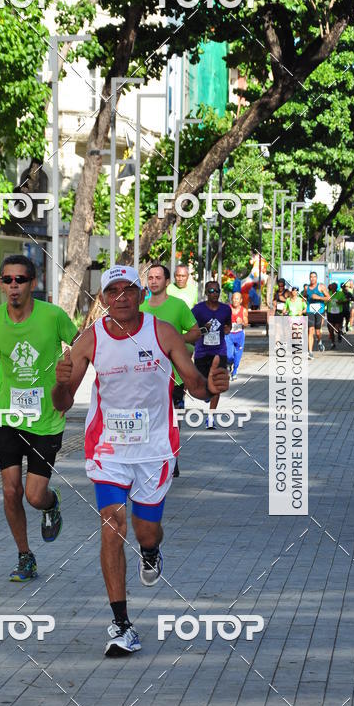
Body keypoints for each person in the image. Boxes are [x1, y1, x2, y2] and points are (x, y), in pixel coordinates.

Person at [52, 265, 229, 656]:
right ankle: (121, 625)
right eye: (112, 290)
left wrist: (209, 388)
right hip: (108, 449)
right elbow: (63, 404)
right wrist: (61, 383)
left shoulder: (161, 332)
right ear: (102, 300)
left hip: (154, 450)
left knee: (145, 531)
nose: (121, 296)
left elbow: (193, 382)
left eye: (128, 289)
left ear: (140, 294)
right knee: (112, 526)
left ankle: (150, 550)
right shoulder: (90, 340)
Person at [0, 254, 77, 581]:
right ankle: (25, 556)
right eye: (7, 280)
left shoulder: (53, 317)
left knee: (35, 495)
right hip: (7, 415)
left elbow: (81, 347)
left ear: (32, 284)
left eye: (20, 280)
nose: (13, 286)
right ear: (1, 284)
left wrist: (69, 376)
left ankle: (51, 505)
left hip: (46, 418)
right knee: (11, 491)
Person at [140, 263, 200, 476]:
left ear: (167, 282)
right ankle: (152, 458)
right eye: (151, 277)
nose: (154, 281)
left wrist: (175, 340)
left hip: (174, 376)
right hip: (145, 376)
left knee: (173, 419)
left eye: (158, 277)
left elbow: (195, 332)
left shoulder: (178, 306)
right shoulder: (140, 308)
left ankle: (172, 457)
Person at [192, 281, 231, 424]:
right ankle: (207, 394)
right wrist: (204, 329)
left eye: (216, 291)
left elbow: (228, 326)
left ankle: (211, 416)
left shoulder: (226, 309)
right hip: (202, 352)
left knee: (217, 385)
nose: (214, 293)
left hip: (219, 351)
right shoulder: (198, 310)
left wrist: (226, 330)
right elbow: (193, 331)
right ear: (206, 293)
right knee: (203, 383)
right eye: (211, 291)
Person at [306, 270, 329, 359]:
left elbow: (328, 298)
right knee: (310, 330)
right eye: (311, 277)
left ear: (316, 278)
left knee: (317, 331)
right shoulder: (306, 288)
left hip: (319, 310)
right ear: (309, 278)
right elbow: (304, 296)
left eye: (314, 277)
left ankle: (319, 341)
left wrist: (318, 297)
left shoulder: (321, 286)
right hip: (310, 311)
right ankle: (310, 352)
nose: (312, 278)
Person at [226, 292, 249, 380]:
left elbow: (246, 324)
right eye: (234, 298)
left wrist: (242, 322)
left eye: (237, 299)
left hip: (239, 335)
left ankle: (235, 371)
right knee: (229, 355)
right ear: (231, 299)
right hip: (229, 334)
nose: (235, 300)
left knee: (237, 355)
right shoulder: (227, 308)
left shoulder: (243, 310)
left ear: (241, 300)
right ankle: (228, 365)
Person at [326, 282, 345, 348]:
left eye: (334, 287)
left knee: (336, 329)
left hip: (338, 313)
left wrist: (340, 302)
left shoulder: (340, 293)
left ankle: (339, 333)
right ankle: (333, 343)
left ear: (336, 287)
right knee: (331, 329)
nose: (333, 288)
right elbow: (325, 301)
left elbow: (345, 300)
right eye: (332, 287)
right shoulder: (328, 294)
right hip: (330, 313)